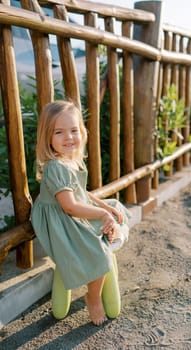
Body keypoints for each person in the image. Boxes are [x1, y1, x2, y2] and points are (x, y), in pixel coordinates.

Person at [31, 100, 131, 326]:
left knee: (114, 206)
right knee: (99, 249)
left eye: (74, 130)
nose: (69, 137)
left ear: (82, 132)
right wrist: (102, 216)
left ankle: (109, 229)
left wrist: (105, 208)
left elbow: (81, 193)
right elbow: (70, 207)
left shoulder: (70, 160)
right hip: (60, 220)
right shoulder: (56, 167)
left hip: (72, 210)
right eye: (59, 132)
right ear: (48, 137)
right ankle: (92, 296)